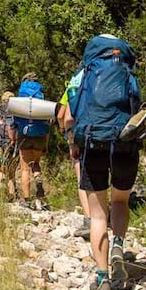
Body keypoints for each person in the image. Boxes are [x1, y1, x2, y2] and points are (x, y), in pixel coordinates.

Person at [67, 34, 143, 290]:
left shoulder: (83, 73)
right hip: (123, 142)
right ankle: (119, 245)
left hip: (92, 141)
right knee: (120, 202)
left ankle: (102, 279)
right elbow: (137, 106)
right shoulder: (126, 69)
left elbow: (69, 112)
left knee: (98, 215)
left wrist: (73, 139)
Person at [57, 71, 90, 239]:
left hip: (80, 134)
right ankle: (106, 216)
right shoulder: (110, 76)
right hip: (107, 132)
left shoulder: (75, 81)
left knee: (82, 178)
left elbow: (63, 116)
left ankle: (89, 220)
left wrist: (69, 137)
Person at [14, 73, 50, 208]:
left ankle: (27, 199)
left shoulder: (21, 96)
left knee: (24, 168)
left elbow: (15, 121)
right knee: (35, 163)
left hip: (24, 134)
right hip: (40, 134)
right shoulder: (40, 96)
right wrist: (46, 144)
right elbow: (47, 121)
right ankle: (38, 179)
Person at [0, 91, 18, 200]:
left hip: (0, 144)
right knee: (12, 170)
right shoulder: (16, 112)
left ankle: (1, 186)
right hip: (12, 143)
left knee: (1, 169)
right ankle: (11, 193)